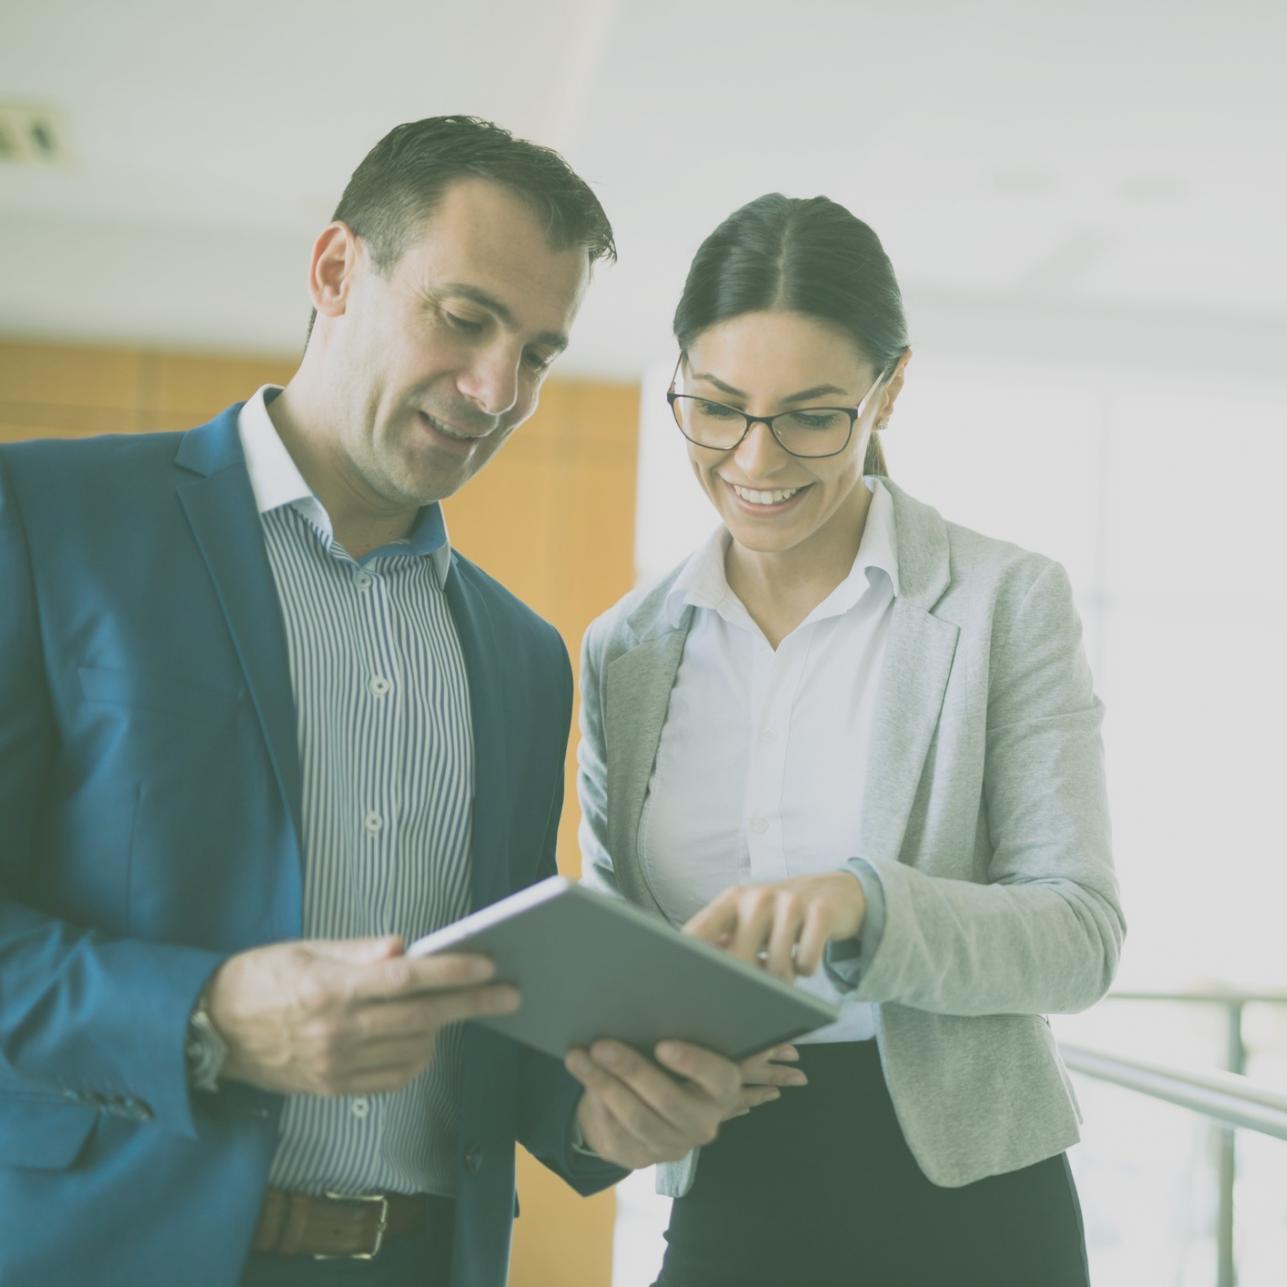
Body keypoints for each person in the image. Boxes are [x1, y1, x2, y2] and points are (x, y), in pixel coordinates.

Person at [0, 116, 752, 1287]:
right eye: (464, 319)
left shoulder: (520, 655)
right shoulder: (50, 522)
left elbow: (489, 1000)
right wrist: (205, 1013)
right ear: (337, 272)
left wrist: (602, 1116)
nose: (497, 388)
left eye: (540, 353)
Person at [577, 193, 1124, 1286]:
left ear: (890, 392)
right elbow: (622, 949)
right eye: (717, 406)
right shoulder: (624, 651)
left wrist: (865, 903)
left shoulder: (1000, 602)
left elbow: (1079, 937)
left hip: (969, 1197)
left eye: (811, 415)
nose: (754, 457)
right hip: (728, 1178)